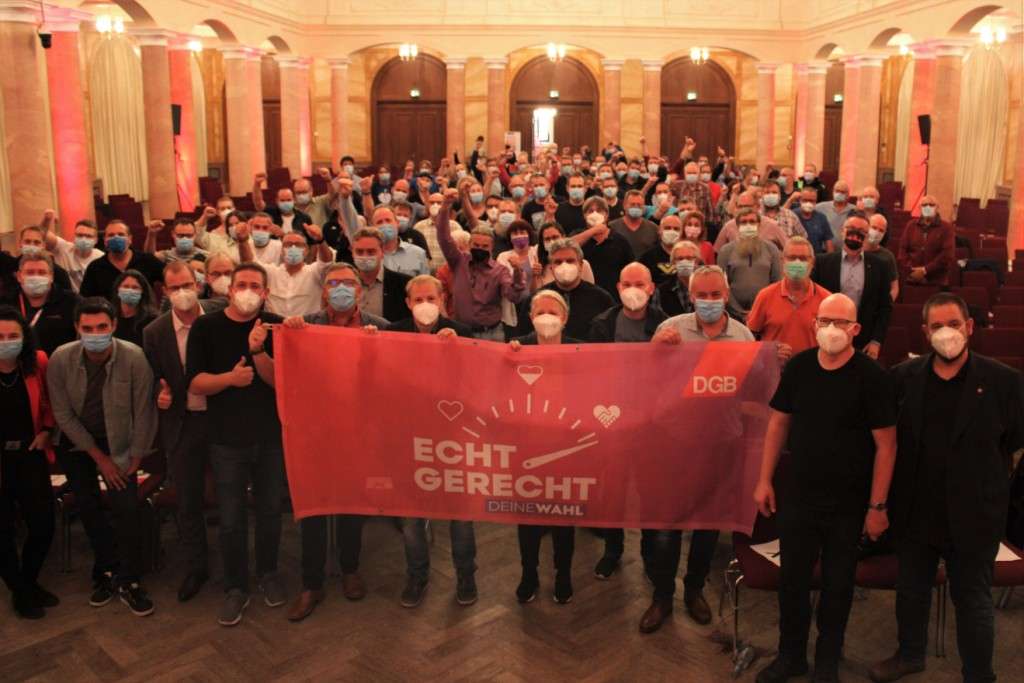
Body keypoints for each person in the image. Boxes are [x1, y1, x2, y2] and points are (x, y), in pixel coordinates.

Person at [869, 293, 1024, 683]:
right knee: (911, 590)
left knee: (972, 600)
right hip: (917, 508)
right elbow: (890, 442)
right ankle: (909, 655)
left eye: (953, 324)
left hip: (974, 513)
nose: (946, 333)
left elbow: (1013, 441)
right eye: (936, 326)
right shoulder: (902, 378)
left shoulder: (1004, 382)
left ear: (969, 327)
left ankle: (979, 674)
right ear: (925, 332)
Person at [752, 293, 897, 683]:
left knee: (838, 586)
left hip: (848, 503)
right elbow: (778, 423)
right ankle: (791, 656)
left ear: (856, 329)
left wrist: (877, 506)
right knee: (792, 582)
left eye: (840, 322)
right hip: (799, 496)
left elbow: (886, 445)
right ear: (815, 324)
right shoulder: (799, 368)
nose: (831, 329)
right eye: (825, 321)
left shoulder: (873, 377)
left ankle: (828, 660)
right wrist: (764, 480)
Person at [647, 266, 755, 632]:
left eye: (715, 295)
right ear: (691, 296)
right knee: (667, 526)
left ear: (726, 295)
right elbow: (646, 379)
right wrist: (655, 351)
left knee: (708, 524)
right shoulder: (671, 329)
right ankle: (662, 595)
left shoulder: (742, 335)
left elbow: (752, 386)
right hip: (674, 443)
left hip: (720, 442)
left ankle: (694, 589)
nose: (709, 301)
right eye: (702, 295)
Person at [280, 263, 389, 622]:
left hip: (359, 431)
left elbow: (392, 380)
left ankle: (350, 569)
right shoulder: (305, 325)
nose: (340, 289)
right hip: (314, 431)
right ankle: (311, 583)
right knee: (312, 507)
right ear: (324, 291)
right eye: (333, 283)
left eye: (347, 283)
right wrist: (291, 336)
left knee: (352, 505)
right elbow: (288, 374)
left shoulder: (380, 327)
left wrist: (376, 350)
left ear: (359, 290)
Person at [186, 263, 286, 627]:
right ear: (229, 290)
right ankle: (235, 587)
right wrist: (230, 379)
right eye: (241, 284)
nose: (247, 291)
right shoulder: (205, 327)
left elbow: (282, 383)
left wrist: (258, 352)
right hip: (226, 440)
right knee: (230, 519)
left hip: (270, 438)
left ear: (265, 293)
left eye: (255, 286)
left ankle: (268, 573)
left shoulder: (274, 325)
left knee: (271, 511)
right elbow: (195, 383)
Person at [48, 297, 158, 617]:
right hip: (77, 442)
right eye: (87, 328)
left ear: (114, 326)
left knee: (127, 506)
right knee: (87, 504)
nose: (95, 334)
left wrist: (135, 456)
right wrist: (100, 459)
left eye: (102, 327)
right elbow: (62, 415)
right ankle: (106, 569)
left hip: (119, 439)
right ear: (76, 328)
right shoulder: (60, 359)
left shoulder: (134, 357)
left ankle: (130, 577)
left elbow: (144, 410)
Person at [386, 275, 477, 608]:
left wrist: (456, 352)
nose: (425, 305)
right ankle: (417, 575)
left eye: (431, 299)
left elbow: (474, 385)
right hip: (409, 436)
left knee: (460, 512)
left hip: (452, 438)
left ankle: (466, 575)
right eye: (418, 299)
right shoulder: (392, 333)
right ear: (408, 303)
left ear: (443, 301)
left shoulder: (461, 332)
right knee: (412, 515)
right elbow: (381, 378)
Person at [142, 262, 226, 604]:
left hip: (223, 420)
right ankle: (196, 567)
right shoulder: (154, 332)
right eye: (175, 288)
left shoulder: (221, 314)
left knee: (231, 496)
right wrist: (158, 395)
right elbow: (152, 379)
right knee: (187, 500)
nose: (183, 292)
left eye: (187, 285)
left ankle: (235, 564)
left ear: (199, 283)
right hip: (182, 423)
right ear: (165, 291)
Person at [587, 263, 667, 580]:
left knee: (650, 490)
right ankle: (613, 549)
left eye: (640, 284)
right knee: (613, 490)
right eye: (627, 284)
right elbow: (591, 372)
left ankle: (649, 551)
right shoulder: (603, 324)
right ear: (618, 288)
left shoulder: (664, 324)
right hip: (613, 420)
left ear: (651, 288)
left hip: (651, 421)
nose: (634, 290)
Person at [510, 290, 581, 604]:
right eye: (540, 312)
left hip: (567, 447)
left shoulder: (582, 351)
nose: (546, 318)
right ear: (530, 317)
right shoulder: (517, 347)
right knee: (528, 517)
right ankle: (529, 573)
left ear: (565, 318)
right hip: (527, 447)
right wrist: (506, 359)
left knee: (564, 517)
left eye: (553, 312)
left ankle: (563, 573)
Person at [0, 306, 57, 619]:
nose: (6, 342)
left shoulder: (38, 362)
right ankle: (20, 591)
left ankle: (28, 580)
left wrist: (47, 430)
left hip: (30, 453)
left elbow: (49, 402)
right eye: (0, 336)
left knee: (43, 524)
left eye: (13, 336)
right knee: (3, 531)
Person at [437, 188, 527, 341]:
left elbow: (513, 296)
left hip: (491, 333)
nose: (480, 249)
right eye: (476, 245)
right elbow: (444, 238)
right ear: (469, 244)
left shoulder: (499, 270)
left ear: (492, 248)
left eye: (485, 246)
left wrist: (518, 271)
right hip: (461, 332)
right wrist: (445, 206)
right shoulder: (458, 260)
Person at [812, 214, 892, 359]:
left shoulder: (880, 266)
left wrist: (876, 341)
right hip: (827, 335)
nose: (855, 234)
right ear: (842, 231)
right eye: (851, 228)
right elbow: (813, 301)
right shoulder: (822, 263)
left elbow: (885, 307)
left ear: (867, 236)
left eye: (861, 231)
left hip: (863, 341)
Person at [748, 236, 832, 360]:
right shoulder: (765, 296)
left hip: (813, 369)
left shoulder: (826, 300)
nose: (797, 263)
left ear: (812, 262)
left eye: (803, 258)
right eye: (792, 258)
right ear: (782, 260)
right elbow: (750, 338)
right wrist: (768, 351)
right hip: (774, 369)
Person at [527, 239, 614, 341]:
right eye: (558, 262)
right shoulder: (537, 300)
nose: (564, 266)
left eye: (570, 261)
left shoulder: (601, 299)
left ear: (581, 265)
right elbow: (524, 339)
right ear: (551, 268)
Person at [716, 209, 782, 321]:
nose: (748, 225)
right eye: (744, 222)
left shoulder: (771, 249)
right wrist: (740, 312)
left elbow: (776, 282)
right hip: (733, 315)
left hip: (764, 313)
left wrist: (760, 310)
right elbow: (722, 285)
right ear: (737, 226)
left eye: (752, 222)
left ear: (759, 225)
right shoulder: (726, 250)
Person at [8, 253, 79, 356]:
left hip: (61, 362)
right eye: (30, 272)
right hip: (18, 362)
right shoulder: (6, 302)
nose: (35, 277)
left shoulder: (72, 302)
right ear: (19, 276)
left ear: (51, 276)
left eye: (42, 272)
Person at [79, 220, 164, 300]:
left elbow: (169, 280)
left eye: (121, 234)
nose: (116, 238)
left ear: (130, 239)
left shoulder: (147, 260)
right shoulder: (95, 267)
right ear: (105, 241)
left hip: (145, 310)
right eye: (111, 235)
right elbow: (85, 300)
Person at [262, 228, 334, 317]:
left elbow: (326, 262)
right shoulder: (270, 272)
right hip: (275, 325)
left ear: (306, 250)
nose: (293, 248)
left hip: (307, 325)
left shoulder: (315, 272)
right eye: (288, 245)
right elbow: (250, 263)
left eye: (298, 245)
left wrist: (320, 240)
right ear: (281, 250)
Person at [573, 197, 635, 298]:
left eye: (599, 210)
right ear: (584, 215)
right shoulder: (579, 236)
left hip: (613, 296)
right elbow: (566, 246)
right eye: (590, 211)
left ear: (606, 215)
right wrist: (593, 231)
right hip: (583, 295)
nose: (595, 214)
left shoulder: (619, 240)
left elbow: (629, 269)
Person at [349, 228, 412, 323]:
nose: (365, 256)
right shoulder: (345, 283)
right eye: (359, 251)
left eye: (371, 251)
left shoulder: (404, 284)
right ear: (352, 252)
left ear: (382, 252)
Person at [897, 194, 954, 286]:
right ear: (920, 208)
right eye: (924, 205)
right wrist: (911, 270)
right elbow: (902, 250)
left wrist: (925, 270)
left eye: (931, 205)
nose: (928, 207)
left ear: (937, 208)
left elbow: (947, 255)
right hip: (912, 277)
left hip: (936, 280)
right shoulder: (911, 226)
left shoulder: (946, 228)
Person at [41, 214, 104, 292]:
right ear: (75, 236)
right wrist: (46, 220)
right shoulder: (63, 248)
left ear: (96, 240)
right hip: (65, 297)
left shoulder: (101, 257)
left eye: (88, 236)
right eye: (80, 235)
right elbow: (41, 235)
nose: (83, 239)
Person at [714, 191, 788, 252]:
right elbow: (717, 251)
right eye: (740, 206)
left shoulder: (772, 225)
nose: (743, 210)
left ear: (758, 206)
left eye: (747, 206)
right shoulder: (729, 226)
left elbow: (788, 248)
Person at [534, 223, 596, 290]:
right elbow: (539, 292)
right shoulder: (541, 267)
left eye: (555, 237)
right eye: (547, 239)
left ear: (563, 237)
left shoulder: (583, 265)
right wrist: (535, 276)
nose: (552, 241)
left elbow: (590, 289)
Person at [110, 269, 158, 347]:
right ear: (118, 289)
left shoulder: (152, 320)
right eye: (126, 286)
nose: (130, 290)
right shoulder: (110, 317)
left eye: (135, 287)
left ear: (142, 291)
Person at [653, 240, 701, 317]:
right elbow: (656, 319)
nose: (685, 262)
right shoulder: (662, 291)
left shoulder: (707, 287)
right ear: (673, 263)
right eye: (680, 259)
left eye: (689, 258)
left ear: (697, 262)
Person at [609, 190, 660, 258]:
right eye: (632, 204)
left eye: (639, 205)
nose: (636, 207)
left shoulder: (653, 228)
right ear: (624, 205)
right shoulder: (611, 227)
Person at [638, 214, 685, 285]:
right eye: (667, 228)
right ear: (659, 230)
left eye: (676, 229)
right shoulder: (647, 258)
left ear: (682, 233)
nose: (672, 231)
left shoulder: (689, 255)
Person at [865, 213, 900, 303]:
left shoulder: (888, 257)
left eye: (881, 230)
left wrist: (887, 305)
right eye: (874, 228)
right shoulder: (855, 250)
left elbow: (894, 288)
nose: (877, 232)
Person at [815, 179, 854, 250]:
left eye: (842, 192)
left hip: (844, 250)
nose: (839, 194)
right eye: (837, 191)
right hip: (824, 250)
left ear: (848, 195)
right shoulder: (821, 207)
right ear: (833, 192)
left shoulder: (854, 210)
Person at [413, 193, 447, 272]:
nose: (435, 205)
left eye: (439, 203)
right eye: (432, 202)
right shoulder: (418, 227)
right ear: (427, 205)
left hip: (444, 274)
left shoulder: (454, 227)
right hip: (424, 273)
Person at [794, 188, 834, 254]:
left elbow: (828, 241)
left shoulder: (821, 218)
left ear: (815, 202)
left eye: (811, 201)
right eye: (805, 200)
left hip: (817, 257)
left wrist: (831, 258)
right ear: (800, 200)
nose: (808, 203)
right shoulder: (792, 215)